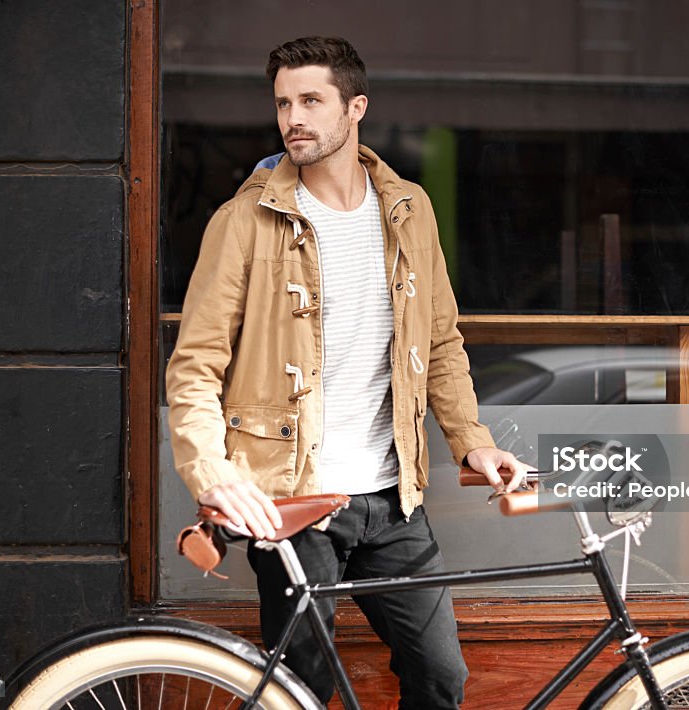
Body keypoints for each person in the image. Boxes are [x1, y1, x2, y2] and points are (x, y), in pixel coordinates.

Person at [165, 36, 529, 708]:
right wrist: (213, 473)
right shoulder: (245, 221)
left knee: (440, 677)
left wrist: (472, 440)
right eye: (282, 103)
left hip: (395, 501)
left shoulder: (408, 209)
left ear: (355, 107)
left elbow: (440, 342)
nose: (292, 118)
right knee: (304, 689)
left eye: (310, 100)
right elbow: (194, 367)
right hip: (296, 499)